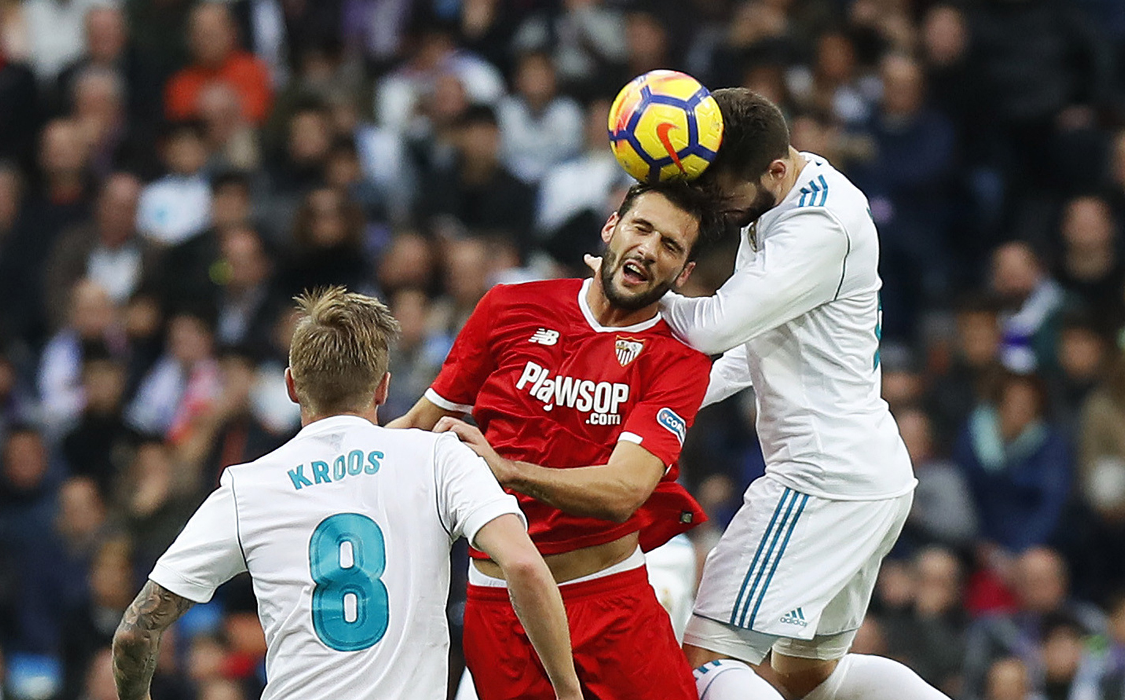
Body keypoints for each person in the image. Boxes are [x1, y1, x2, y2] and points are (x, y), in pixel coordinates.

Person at [110, 287, 582, 700]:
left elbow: (134, 633)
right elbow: (521, 564)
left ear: (292, 386)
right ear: (383, 388)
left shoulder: (249, 486)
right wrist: (566, 690)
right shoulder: (439, 458)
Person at [644, 88, 947, 699]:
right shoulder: (787, 200)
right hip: (862, 475)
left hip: (820, 478)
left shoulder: (817, 225)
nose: (718, 210)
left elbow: (714, 326)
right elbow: (746, 350)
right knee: (807, 675)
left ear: (775, 170)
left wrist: (635, 272)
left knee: (704, 657)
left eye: (724, 194)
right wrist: (663, 400)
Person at [390, 180, 724, 699]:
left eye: (670, 246)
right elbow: (417, 426)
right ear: (611, 228)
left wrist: (509, 470)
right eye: (641, 227)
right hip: (502, 607)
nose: (648, 250)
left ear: (683, 274)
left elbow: (623, 491)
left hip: (610, 603)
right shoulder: (508, 308)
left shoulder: (677, 361)